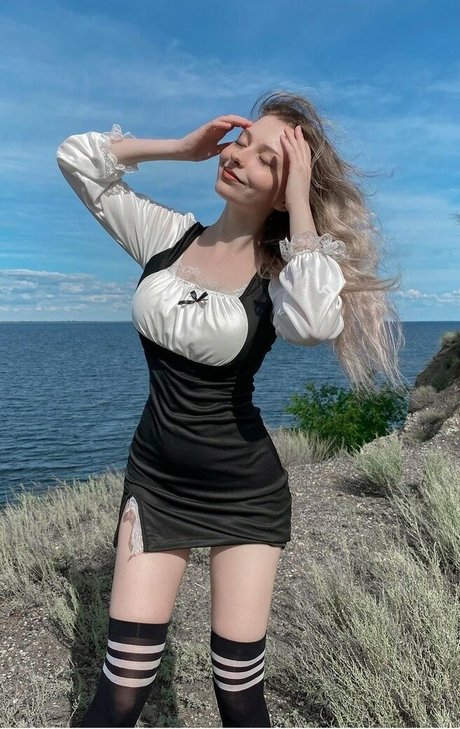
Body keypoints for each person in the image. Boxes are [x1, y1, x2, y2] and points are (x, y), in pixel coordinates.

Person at [57, 91, 403, 728]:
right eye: (242, 142)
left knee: (239, 695)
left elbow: (313, 323)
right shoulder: (167, 236)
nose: (240, 157)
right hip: (156, 483)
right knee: (120, 691)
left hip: (245, 493)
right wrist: (179, 148)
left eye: (269, 159)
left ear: (285, 190)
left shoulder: (281, 278)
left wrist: (300, 202)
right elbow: (78, 159)